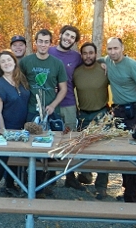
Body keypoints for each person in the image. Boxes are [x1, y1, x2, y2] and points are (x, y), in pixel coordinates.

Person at [100, 37, 136, 202]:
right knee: (121, 150)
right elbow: (95, 59)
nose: (113, 52)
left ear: (122, 48)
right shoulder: (107, 61)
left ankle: (131, 197)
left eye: (116, 48)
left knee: (131, 151)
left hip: (135, 109)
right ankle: (127, 191)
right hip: (119, 110)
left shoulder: (132, 65)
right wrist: (101, 64)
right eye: (110, 49)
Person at [19, 29, 67, 197]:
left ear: (50, 43)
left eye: (47, 42)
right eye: (40, 41)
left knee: (52, 148)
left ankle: (48, 184)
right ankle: (33, 186)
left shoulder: (57, 64)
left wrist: (53, 105)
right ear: (36, 42)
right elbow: (17, 82)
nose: (43, 44)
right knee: (33, 148)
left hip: (51, 113)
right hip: (32, 111)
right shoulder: (26, 62)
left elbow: (63, 89)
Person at [0, 50, 30, 205]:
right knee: (4, 160)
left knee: (19, 159)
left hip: (24, 127)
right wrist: (2, 132)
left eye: (8, 60)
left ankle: (10, 185)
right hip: (9, 128)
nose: (6, 63)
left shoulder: (21, 79)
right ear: (0, 65)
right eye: (3, 61)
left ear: (14, 61)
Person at [48, 25, 86, 191]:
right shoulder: (48, 51)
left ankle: (70, 176)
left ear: (74, 42)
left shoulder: (76, 57)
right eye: (67, 35)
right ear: (61, 34)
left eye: (72, 37)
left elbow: (91, 62)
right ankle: (48, 179)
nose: (68, 39)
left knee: (70, 141)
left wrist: (103, 64)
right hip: (50, 105)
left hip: (69, 103)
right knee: (50, 141)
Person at [73, 42, 109, 199]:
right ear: (82, 55)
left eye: (91, 53)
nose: (88, 56)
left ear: (96, 54)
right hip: (83, 115)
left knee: (103, 152)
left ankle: (101, 186)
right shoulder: (76, 72)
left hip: (101, 113)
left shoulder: (104, 70)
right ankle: (85, 175)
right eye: (85, 53)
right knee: (83, 148)